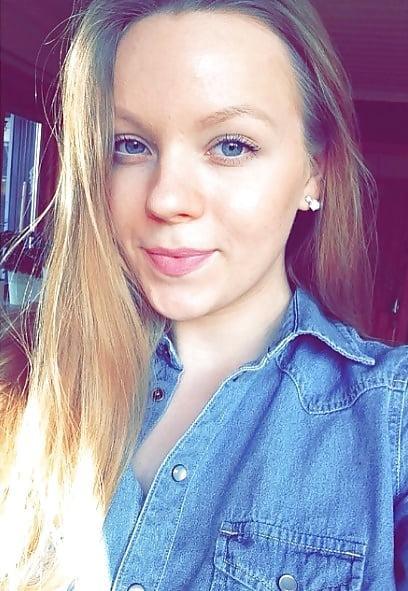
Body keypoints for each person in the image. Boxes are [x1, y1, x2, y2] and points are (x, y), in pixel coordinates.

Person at [0, 0, 407, 589]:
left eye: (231, 145)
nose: (166, 199)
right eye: (130, 145)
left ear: (314, 174)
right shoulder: (23, 375)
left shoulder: (391, 422)